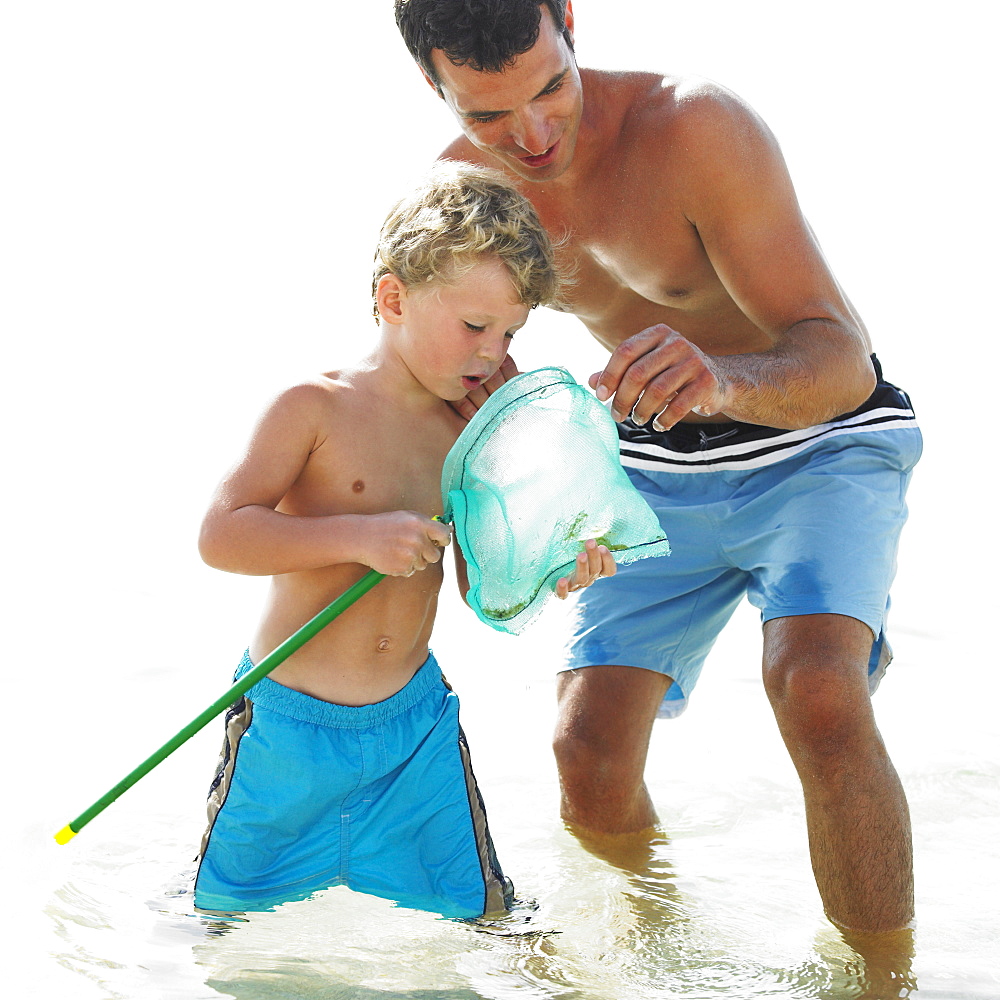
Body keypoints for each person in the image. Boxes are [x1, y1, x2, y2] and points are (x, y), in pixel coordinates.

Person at [395, 0, 921, 934]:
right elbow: (454, 378)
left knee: (817, 688)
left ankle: (885, 987)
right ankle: (662, 968)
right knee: (586, 757)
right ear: (433, 88)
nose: (533, 134)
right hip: (652, 458)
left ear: (568, 20)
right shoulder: (469, 195)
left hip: (816, 434)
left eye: (551, 88)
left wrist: (719, 377)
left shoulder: (694, 128)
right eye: (487, 116)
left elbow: (846, 361)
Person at [192, 161, 616, 919]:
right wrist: (358, 536)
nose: (492, 352)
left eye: (512, 331)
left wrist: (556, 567)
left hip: (412, 731)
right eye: (475, 326)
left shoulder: (470, 435)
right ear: (394, 298)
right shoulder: (312, 406)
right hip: (289, 724)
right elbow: (221, 537)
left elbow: (480, 589)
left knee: (487, 919)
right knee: (224, 919)